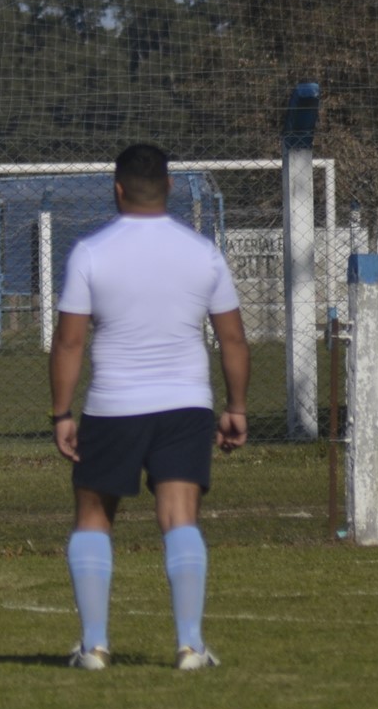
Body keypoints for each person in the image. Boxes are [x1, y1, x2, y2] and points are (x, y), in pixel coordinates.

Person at [50, 143, 248, 672]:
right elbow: (232, 339)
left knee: (94, 516)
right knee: (179, 517)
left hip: (112, 405)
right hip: (185, 404)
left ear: (116, 190)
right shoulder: (203, 252)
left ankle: (93, 647)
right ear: (171, 187)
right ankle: (189, 646)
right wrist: (238, 408)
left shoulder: (90, 252)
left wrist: (61, 414)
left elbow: (69, 343)